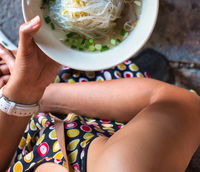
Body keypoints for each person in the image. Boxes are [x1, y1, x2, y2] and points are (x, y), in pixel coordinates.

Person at [0, 16, 199, 172]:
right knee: (154, 65)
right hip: (112, 110)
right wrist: (38, 94)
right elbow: (183, 104)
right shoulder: (124, 166)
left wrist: (22, 96)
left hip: (28, 124)